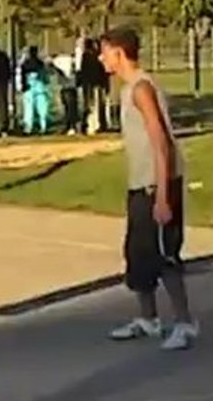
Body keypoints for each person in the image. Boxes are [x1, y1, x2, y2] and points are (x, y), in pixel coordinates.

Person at [100, 27, 197, 351]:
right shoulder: (129, 89)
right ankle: (148, 318)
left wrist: (163, 196)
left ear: (119, 53)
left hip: (157, 184)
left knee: (165, 256)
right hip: (140, 184)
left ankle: (184, 322)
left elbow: (160, 142)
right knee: (138, 254)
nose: (101, 58)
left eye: (105, 52)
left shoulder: (142, 88)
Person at [80, 39, 110, 134]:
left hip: (93, 84)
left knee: (93, 105)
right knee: (95, 105)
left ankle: (94, 125)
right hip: (95, 84)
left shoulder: (90, 56)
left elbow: (84, 71)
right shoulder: (94, 56)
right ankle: (94, 125)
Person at [21, 45, 51, 135]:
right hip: (39, 86)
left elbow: (22, 76)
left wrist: (23, 86)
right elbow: (45, 76)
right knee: (42, 108)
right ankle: (43, 127)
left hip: (29, 87)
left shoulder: (25, 64)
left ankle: (28, 128)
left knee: (29, 108)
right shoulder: (40, 63)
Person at [52, 51, 79, 135]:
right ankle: (70, 126)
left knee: (70, 108)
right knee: (69, 108)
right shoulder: (70, 62)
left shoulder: (67, 63)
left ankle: (71, 126)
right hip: (67, 88)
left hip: (69, 88)